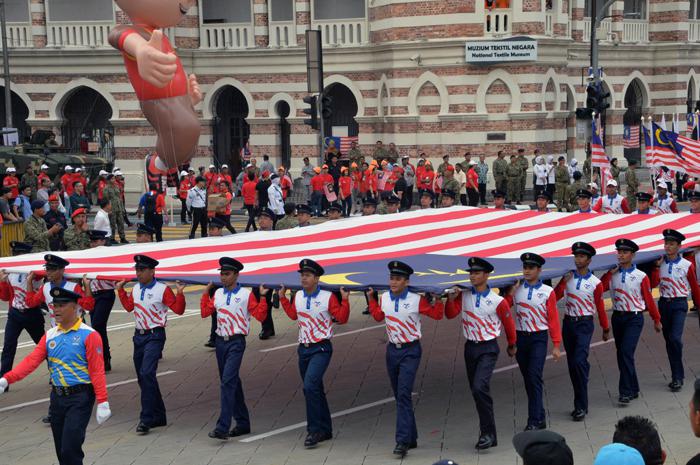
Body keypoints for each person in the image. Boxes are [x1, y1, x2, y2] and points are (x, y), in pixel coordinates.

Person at [0, 287, 111, 465]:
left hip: (80, 398)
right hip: (57, 399)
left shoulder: (89, 335)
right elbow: (31, 361)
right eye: (54, 305)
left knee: (70, 449)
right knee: (61, 451)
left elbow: (97, 370)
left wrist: (103, 401)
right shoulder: (50, 335)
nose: (56, 310)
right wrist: (7, 379)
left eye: (61, 305)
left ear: (75, 307)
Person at [367, 261, 443, 458]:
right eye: (392, 278)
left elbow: (436, 315)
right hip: (392, 351)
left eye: (398, 279)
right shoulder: (384, 298)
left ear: (407, 281)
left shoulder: (416, 300)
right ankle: (412, 436)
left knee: (403, 393)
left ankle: (402, 441)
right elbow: (377, 316)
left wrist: (439, 299)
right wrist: (371, 299)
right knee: (401, 396)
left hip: (410, 351)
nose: (393, 282)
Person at [445, 257, 516, 450]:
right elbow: (450, 314)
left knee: (479, 387)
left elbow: (508, 323)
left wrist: (512, 344)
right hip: (470, 348)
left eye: (476, 273)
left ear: (486, 275)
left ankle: (488, 434)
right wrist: (451, 300)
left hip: (488, 348)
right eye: (471, 273)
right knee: (477, 392)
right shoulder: (464, 294)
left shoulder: (497, 300)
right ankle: (487, 432)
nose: (472, 276)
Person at [278, 259, 350, 448]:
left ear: (317, 278)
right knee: (315, 389)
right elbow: (294, 315)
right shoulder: (299, 296)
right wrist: (283, 299)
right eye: (302, 275)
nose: (304, 278)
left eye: (308, 275)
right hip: (303, 348)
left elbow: (341, 318)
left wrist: (345, 300)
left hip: (321, 348)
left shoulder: (327, 297)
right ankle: (326, 429)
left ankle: (314, 431)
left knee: (309, 387)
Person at [116, 255, 186, 435]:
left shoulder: (162, 289)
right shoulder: (136, 288)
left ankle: (146, 418)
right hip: (138, 337)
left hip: (155, 336)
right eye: (137, 270)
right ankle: (159, 415)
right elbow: (129, 307)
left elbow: (178, 310)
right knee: (143, 377)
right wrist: (121, 291)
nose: (138, 273)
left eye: (142, 270)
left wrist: (180, 293)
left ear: (152, 271)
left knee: (147, 373)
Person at [201, 257, 268, 440]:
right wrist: (205, 293)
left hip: (236, 342)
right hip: (220, 342)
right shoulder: (218, 294)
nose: (223, 277)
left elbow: (261, 316)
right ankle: (243, 422)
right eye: (221, 274)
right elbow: (205, 312)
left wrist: (262, 297)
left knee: (227, 382)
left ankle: (222, 427)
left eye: (227, 274)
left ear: (236, 275)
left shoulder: (246, 294)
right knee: (232, 382)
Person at [553, 242, 610, 421]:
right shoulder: (568, 278)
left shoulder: (596, 283)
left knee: (578, 362)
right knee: (573, 364)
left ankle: (581, 406)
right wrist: (563, 282)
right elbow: (554, 297)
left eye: (582, 257)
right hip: (568, 323)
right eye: (576, 256)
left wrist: (605, 327)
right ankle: (580, 398)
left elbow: (600, 306)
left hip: (584, 324)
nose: (578, 260)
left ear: (589, 260)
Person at [601, 239, 661, 404]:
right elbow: (600, 288)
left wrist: (657, 319)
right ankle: (633, 387)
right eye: (619, 252)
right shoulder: (612, 274)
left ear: (632, 255)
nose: (621, 255)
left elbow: (648, 299)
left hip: (634, 318)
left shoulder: (641, 276)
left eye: (625, 252)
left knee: (626, 352)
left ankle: (625, 391)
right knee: (622, 354)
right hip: (618, 317)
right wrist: (608, 274)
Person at [505, 253, 561, 430]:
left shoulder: (547, 292)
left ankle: (533, 421)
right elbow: (504, 308)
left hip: (538, 338)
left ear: (539, 270)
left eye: (531, 268)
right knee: (529, 379)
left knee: (534, 376)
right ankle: (541, 416)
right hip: (521, 338)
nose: (527, 271)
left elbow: (553, 319)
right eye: (525, 268)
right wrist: (510, 293)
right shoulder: (517, 289)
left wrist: (556, 345)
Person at [649, 229, 700, 392]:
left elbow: (694, 287)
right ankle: (676, 376)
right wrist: (656, 268)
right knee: (670, 342)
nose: (668, 247)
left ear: (679, 246)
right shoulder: (660, 263)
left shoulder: (687, 265)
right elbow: (654, 284)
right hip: (664, 304)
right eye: (666, 244)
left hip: (679, 304)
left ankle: (678, 376)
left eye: (671, 244)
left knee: (675, 338)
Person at [0, 242, 45, 383]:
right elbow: (5, 297)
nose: (15, 257)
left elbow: (42, 274)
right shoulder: (10, 271)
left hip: (31, 313)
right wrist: (2, 281)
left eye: (18, 255)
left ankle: (58, 371)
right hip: (15, 314)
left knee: (43, 345)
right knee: (8, 346)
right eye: (14, 254)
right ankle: (3, 381)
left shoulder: (35, 273)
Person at [25, 254, 95, 328]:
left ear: (62, 270)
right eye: (47, 268)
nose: (49, 272)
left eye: (53, 269)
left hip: (75, 329)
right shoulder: (45, 287)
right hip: (56, 330)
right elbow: (31, 303)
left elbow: (88, 306)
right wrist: (29, 282)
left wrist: (87, 286)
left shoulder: (73, 287)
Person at [103, 175, 127, 244]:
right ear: (108, 180)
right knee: (112, 224)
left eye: (114, 178)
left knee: (121, 223)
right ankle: (112, 238)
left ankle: (122, 238)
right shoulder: (106, 188)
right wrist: (108, 210)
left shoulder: (116, 187)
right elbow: (106, 200)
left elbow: (120, 198)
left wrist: (122, 208)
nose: (114, 180)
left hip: (119, 208)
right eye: (112, 179)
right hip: (112, 209)